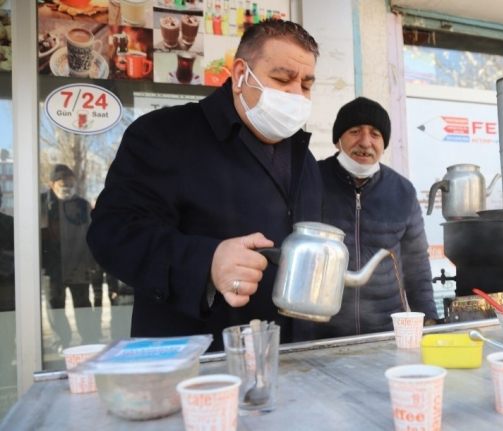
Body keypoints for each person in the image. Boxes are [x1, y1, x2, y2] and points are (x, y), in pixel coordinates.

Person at [87, 19, 323, 351]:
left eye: (306, 84)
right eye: (283, 79)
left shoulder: (305, 160)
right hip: (196, 365)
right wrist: (207, 262)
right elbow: (112, 234)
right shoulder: (165, 134)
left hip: (288, 360)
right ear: (241, 74)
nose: (296, 94)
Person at [312, 97, 438, 339]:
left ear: (384, 143)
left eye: (375, 134)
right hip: (321, 332)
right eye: (355, 131)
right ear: (338, 139)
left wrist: (429, 319)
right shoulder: (312, 180)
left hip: (386, 331)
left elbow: (416, 263)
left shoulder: (402, 191)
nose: (365, 142)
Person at [41, 164, 102, 349]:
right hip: (52, 267)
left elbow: (91, 234)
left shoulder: (82, 205)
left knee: (82, 304)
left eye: (70, 182)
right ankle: (62, 340)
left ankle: (89, 339)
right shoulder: (42, 203)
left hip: (78, 264)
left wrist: (92, 263)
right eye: (62, 182)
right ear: (52, 184)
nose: (67, 186)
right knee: (55, 305)